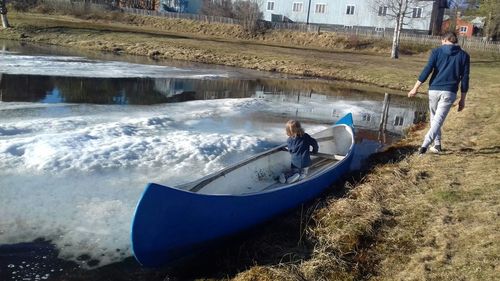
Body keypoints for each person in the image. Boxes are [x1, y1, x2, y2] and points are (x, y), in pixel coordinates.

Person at [408, 31, 470, 154]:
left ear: (445, 40)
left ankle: (425, 146)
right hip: (449, 92)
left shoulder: (437, 52)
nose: (441, 43)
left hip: (434, 90)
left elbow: (427, 70)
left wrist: (415, 88)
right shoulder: (464, 55)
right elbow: (465, 78)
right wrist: (462, 99)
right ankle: (434, 146)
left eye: (442, 41)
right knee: (436, 119)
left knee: (435, 119)